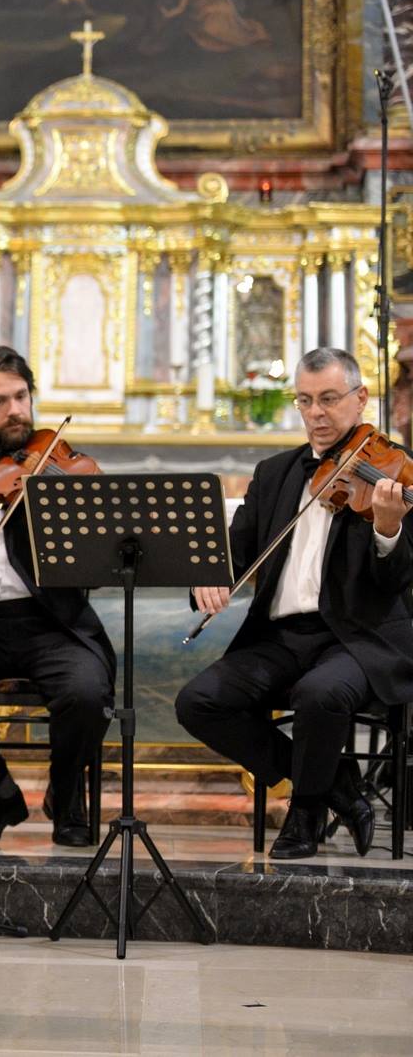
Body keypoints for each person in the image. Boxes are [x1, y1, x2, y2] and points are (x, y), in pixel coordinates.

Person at [176, 347, 412, 860]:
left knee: (320, 693)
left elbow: (397, 580)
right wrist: (206, 579)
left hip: (354, 637)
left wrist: (388, 527)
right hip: (280, 638)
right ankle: (339, 785)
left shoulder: (391, 472)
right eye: (305, 401)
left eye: (329, 399)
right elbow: (231, 551)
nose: (316, 414)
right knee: (198, 702)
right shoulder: (276, 473)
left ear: (360, 398)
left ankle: (305, 814)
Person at [0, 347, 115, 847]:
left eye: (21, 397)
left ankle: (66, 798)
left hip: (52, 621)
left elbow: (101, 564)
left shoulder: (58, 470)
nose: (15, 411)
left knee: (87, 692)